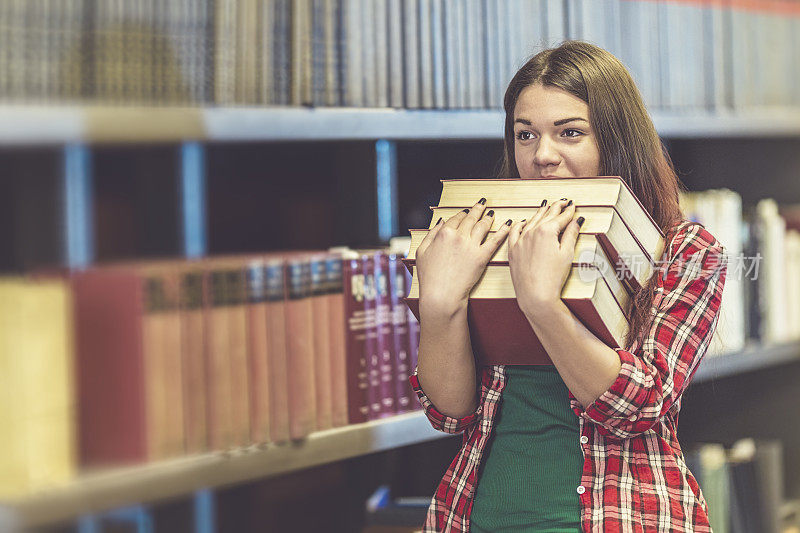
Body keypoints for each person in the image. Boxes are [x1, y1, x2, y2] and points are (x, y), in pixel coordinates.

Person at [410, 40, 727, 532]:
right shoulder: (483, 236)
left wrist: (544, 304)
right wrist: (439, 306)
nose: (542, 156)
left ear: (616, 139)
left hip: (624, 513)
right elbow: (450, 413)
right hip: (482, 513)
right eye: (525, 134)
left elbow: (639, 406)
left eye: (570, 133)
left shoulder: (686, 251)